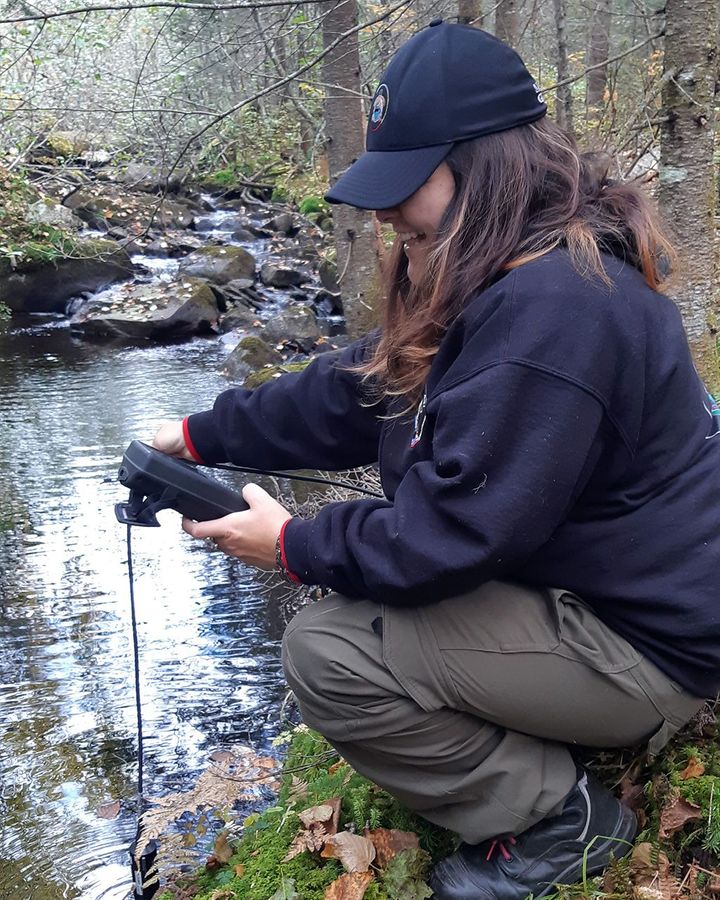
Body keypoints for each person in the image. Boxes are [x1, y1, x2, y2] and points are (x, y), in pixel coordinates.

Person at [152, 20, 720, 899]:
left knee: (329, 650)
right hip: (596, 591)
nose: (382, 213)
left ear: (486, 168)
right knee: (354, 606)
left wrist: (292, 545)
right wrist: (200, 434)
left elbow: (446, 537)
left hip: (648, 645)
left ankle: (559, 819)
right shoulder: (513, 264)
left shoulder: (557, 311)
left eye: (405, 185)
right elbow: (365, 384)